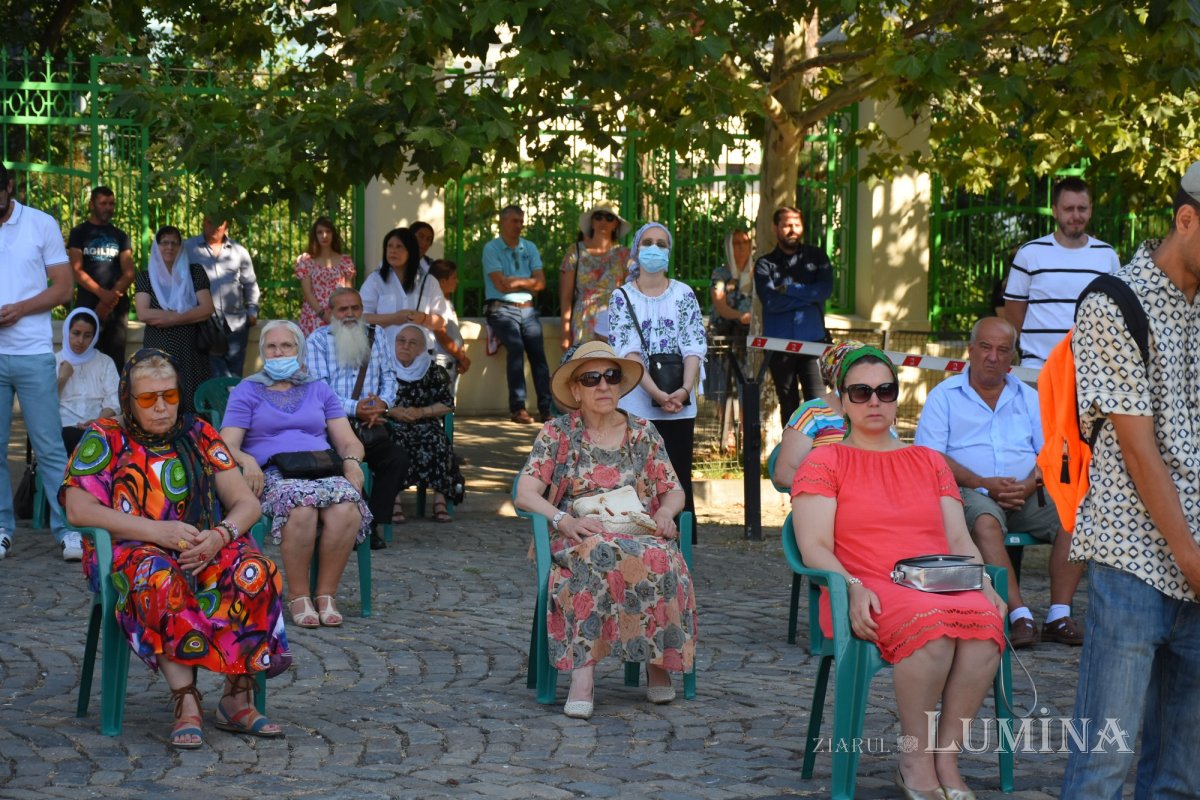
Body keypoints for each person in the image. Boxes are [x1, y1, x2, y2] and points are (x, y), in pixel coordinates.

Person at [792, 345, 1005, 799]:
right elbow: (814, 548)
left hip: (938, 582)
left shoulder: (928, 461)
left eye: (885, 391)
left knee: (987, 626)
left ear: (896, 396)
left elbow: (959, 539)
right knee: (935, 629)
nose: (874, 402)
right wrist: (850, 586)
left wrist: (983, 581)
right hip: (865, 587)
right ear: (842, 400)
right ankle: (914, 761)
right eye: (861, 391)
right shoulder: (824, 461)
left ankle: (945, 759)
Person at [60, 348, 290, 748]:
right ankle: (186, 700)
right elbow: (79, 509)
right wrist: (156, 532)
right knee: (159, 577)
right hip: (131, 550)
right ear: (128, 399)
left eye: (169, 395)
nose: (162, 407)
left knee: (256, 569)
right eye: (148, 398)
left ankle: (236, 697)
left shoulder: (199, 433)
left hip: (199, 544)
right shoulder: (107, 436)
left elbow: (247, 502)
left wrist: (219, 535)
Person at [1059, 164, 1200, 798]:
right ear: (1187, 219)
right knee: (1103, 769)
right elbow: (1139, 451)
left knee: (1182, 776)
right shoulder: (1113, 302)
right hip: (1134, 561)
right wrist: (1192, 558)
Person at [515, 341, 698, 719]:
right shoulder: (557, 433)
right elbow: (525, 494)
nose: (603, 386)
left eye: (611, 377)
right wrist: (562, 520)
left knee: (662, 557)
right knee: (597, 555)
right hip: (580, 533)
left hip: (638, 530)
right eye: (592, 378)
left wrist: (665, 512)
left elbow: (674, 490)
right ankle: (583, 678)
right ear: (576, 390)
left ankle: (658, 663)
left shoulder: (643, 432)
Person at [915, 317, 1085, 649]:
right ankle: (1018, 615)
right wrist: (983, 482)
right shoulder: (944, 396)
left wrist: (1028, 483)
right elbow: (931, 458)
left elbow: (1050, 451)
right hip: (970, 490)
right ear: (970, 350)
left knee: (1076, 514)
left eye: (1003, 350)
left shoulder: (1029, 396)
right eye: (986, 347)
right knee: (985, 521)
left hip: (1027, 491)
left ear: (1013, 358)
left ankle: (1057, 616)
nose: (993, 357)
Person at [220, 321, 371, 629]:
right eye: (271, 347)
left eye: (286, 346)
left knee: (346, 507)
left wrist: (353, 461)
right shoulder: (247, 390)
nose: (279, 353)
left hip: (320, 468)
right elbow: (226, 443)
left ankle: (326, 595)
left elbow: (347, 440)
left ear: (299, 350)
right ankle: (299, 596)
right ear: (263, 351)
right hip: (274, 473)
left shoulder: (319, 388)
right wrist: (247, 461)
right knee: (300, 508)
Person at [0, 162, 77, 562]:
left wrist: (19, 309)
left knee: (49, 446)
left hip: (32, 352)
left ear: (9, 187)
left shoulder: (40, 223)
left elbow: (65, 288)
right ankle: (1, 528)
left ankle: (69, 530)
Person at [607, 222, 706, 521]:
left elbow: (694, 347)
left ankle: (680, 554)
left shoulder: (684, 294)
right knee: (638, 483)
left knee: (677, 482)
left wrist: (684, 390)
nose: (654, 248)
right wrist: (657, 394)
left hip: (680, 406)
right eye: (648, 242)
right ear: (637, 249)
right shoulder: (621, 297)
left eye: (661, 244)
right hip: (637, 406)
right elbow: (629, 353)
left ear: (669, 251)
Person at [306, 287, 409, 550]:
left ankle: (369, 523)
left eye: (356, 308)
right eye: (343, 309)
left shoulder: (378, 336)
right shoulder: (317, 341)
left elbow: (390, 377)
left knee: (397, 459)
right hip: (334, 427)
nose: (350, 314)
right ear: (330, 312)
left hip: (372, 424)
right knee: (342, 464)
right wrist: (355, 408)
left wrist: (382, 405)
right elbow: (320, 389)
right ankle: (362, 526)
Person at [1003, 177, 1120, 368]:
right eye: (1068, 209)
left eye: (1082, 208)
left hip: (1092, 370)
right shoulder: (1030, 253)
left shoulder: (1107, 255)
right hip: (1038, 366)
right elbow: (1013, 314)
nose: (1076, 215)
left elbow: (1115, 312)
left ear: (1090, 210)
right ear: (1055, 211)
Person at [754, 207, 833, 426]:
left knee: (817, 404)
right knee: (788, 406)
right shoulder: (764, 264)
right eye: (787, 225)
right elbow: (770, 302)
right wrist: (809, 296)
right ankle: (793, 457)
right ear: (775, 228)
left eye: (797, 225)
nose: (792, 230)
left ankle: (819, 458)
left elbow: (824, 291)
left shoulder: (817, 257)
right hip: (779, 345)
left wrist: (789, 289)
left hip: (813, 343)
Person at [383, 324, 459, 524]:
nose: (405, 346)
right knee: (392, 442)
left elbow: (447, 404)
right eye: (401, 341)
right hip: (392, 423)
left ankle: (440, 501)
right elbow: (372, 399)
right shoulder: (384, 367)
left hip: (424, 422)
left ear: (421, 349)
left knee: (438, 440)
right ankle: (394, 500)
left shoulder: (431, 370)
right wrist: (392, 411)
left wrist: (421, 412)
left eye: (412, 343)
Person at [135, 225, 216, 413]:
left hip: (191, 348)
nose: (169, 247)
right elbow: (143, 313)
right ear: (157, 246)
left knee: (191, 397)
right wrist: (186, 316)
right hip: (158, 347)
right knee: (159, 392)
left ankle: (194, 438)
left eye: (174, 243)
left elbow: (206, 308)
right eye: (164, 243)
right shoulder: (146, 277)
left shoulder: (194, 272)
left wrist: (172, 318)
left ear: (181, 247)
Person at [483, 205, 552, 424]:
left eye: (521, 221)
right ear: (502, 222)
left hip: (528, 309)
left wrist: (516, 281)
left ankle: (546, 409)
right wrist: (527, 282)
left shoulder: (529, 247)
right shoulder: (491, 248)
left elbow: (541, 283)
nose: (519, 226)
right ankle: (518, 409)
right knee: (516, 348)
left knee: (538, 355)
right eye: (514, 221)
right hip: (501, 309)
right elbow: (500, 285)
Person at [771, 339, 864, 489]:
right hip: (825, 506)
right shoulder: (812, 413)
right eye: (851, 369)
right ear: (834, 374)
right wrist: (834, 488)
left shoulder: (877, 409)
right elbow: (783, 474)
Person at [67, 186, 135, 368]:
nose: (108, 208)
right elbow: (76, 270)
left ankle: (114, 397)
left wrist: (109, 300)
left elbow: (129, 272)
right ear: (92, 205)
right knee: (85, 357)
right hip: (89, 304)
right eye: (103, 203)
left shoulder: (120, 236)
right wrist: (103, 295)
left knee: (115, 362)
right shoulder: (79, 233)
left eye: (111, 203)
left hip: (116, 307)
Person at [185, 216, 260, 377]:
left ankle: (232, 402)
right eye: (209, 222)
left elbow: (250, 283)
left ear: (226, 225)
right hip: (203, 324)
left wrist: (252, 311)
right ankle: (225, 402)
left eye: (218, 225)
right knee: (215, 374)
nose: (213, 228)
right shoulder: (188, 249)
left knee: (234, 376)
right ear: (203, 221)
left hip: (236, 324)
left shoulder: (239, 251)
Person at [558, 201, 631, 350]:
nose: (603, 221)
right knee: (584, 368)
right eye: (598, 217)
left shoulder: (624, 255)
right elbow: (565, 296)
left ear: (616, 224)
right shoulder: (575, 252)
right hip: (583, 321)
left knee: (614, 369)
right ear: (592, 222)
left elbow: (633, 293)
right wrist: (565, 334)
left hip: (614, 320)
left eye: (609, 218)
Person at [708, 228, 754, 451]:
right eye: (735, 243)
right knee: (721, 387)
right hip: (723, 337)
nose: (741, 247)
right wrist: (739, 316)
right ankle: (726, 438)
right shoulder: (721, 274)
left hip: (749, 341)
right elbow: (720, 304)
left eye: (745, 242)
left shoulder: (756, 272)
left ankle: (745, 436)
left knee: (746, 386)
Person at [56, 308, 120, 460]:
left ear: (94, 337)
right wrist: (63, 378)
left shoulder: (105, 362)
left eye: (87, 335)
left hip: (98, 426)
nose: (80, 341)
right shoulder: (53, 361)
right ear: (67, 331)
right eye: (76, 333)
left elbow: (114, 400)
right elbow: (45, 405)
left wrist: (98, 422)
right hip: (63, 428)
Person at [360, 227, 447, 339]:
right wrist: (393, 318)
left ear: (411, 251)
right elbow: (361, 317)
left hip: (420, 354)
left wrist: (424, 318)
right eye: (389, 246)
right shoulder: (375, 280)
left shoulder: (428, 281)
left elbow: (442, 321)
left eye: (399, 247)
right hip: (384, 352)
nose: (393, 251)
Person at [295, 216, 356, 337]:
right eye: (320, 232)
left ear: (333, 234)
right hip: (313, 314)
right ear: (314, 236)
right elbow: (307, 292)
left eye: (328, 231)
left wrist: (341, 313)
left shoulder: (345, 260)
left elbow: (348, 292)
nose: (324, 235)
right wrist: (323, 314)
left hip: (339, 314)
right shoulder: (306, 260)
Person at [427, 259, 470, 397]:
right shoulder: (436, 304)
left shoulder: (445, 302)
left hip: (450, 362)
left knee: (448, 407)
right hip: (442, 362)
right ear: (442, 282)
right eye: (453, 278)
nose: (457, 281)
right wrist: (461, 357)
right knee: (442, 408)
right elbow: (442, 335)